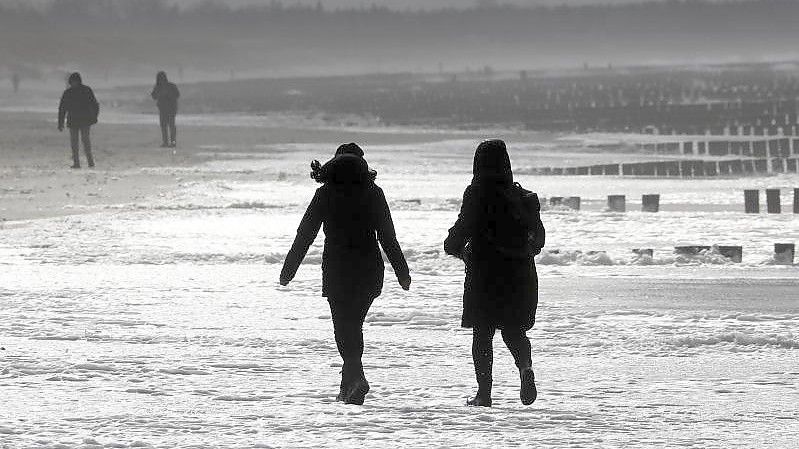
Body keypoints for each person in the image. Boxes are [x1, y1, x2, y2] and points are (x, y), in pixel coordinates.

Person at [280, 143, 411, 405]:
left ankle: (357, 376)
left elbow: (305, 234)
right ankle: (348, 387)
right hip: (369, 270)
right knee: (353, 324)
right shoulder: (374, 193)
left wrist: (288, 270)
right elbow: (388, 236)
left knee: (345, 325)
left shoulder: (325, 194)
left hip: (338, 268)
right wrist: (402, 272)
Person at [444, 139, 545, 407]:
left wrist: (454, 247)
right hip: (520, 274)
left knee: (483, 333)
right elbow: (540, 240)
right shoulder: (525, 198)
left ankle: (484, 394)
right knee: (514, 331)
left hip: (485, 274)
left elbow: (463, 227)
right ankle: (525, 368)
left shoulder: (476, 193)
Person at [58, 72, 99, 169]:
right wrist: (60, 122)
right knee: (77, 142)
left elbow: (94, 104)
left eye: (73, 82)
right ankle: (79, 163)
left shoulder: (71, 92)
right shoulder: (84, 90)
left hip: (80, 120)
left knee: (83, 141)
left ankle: (89, 162)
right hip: (78, 120)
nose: (72, 83)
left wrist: (95, 116)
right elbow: (62, 108)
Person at [151, 71, 180, 148]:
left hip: (170, 109)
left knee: (169, 126)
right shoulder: (161, 87)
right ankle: (167, 142)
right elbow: (154, 96)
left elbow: (177, 95)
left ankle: (170, 142)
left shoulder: (170, 86)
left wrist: (168, 96)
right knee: (165, 126)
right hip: (164, 109)